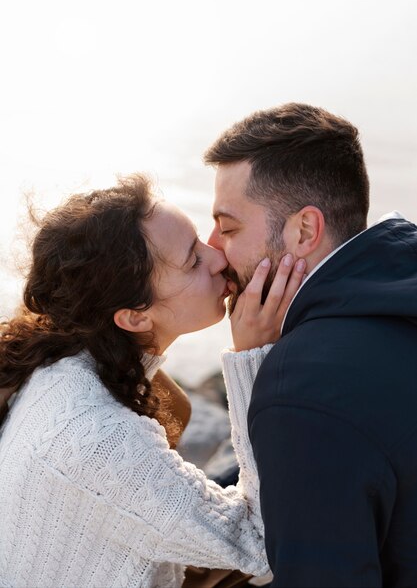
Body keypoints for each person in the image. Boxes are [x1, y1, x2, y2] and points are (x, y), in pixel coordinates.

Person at [0, 173, 305, 588]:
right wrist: (251, 358)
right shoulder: (97, 438)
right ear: (135, 317)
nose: (218, 257)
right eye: (193, 261)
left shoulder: (63, 365)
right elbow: (263, 542)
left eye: (200, 241)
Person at [205, 102, 417, 588]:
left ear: (304, 230)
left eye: (229, 227)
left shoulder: (301, 388)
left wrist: (265, 370)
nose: (213, 249)